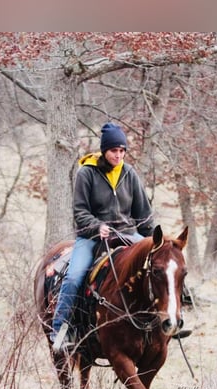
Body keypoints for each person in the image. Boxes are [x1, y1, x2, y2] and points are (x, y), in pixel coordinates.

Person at [50, 122, 155, 352]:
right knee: (74, 276)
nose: (118, 155)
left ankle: (164, 321)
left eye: (122, 151)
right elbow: (79, 211)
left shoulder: (129, 173)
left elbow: (144, 214)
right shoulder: (87, 173)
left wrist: (155, 242)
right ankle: (61, 329)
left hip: (127, 235)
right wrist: (97, 226)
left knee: (161, 265)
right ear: (104, 150)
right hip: (93, 237)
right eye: (113, 151)